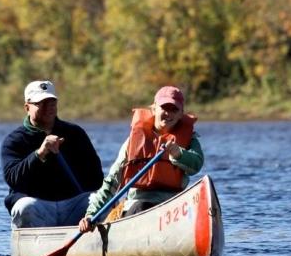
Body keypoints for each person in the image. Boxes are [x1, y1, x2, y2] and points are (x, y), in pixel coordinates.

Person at [78, 85, 203, 233]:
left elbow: (197, 164)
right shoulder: (133, 141)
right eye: (164, 107)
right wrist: (90, 215)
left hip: (173, 206)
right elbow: (112, 182)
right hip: (139, 205)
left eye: (174, 109)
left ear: (181, 113)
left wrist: (178, 154)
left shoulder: (190, 140)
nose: (168, 113)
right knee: (142, 206)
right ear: (154, 108)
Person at [1, 80, 103, 228]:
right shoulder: (14, 140)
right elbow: (13, 178)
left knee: (100, 202)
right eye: (41, 103)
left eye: (52, 102)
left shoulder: (75, 133)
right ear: (27, 107)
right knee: (24, 207)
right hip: (36, 207)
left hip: (72, 206)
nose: (48, 107)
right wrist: (40, 153)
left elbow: (96, 178)